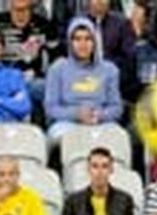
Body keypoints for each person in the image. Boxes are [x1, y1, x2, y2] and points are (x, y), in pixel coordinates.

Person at [45, 16, 124, 147]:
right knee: (58, 135)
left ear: (95, 42)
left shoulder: (109, 69)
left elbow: (116, 108)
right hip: (67, 123)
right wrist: (77, 114)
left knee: (119, 136)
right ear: (70, 42)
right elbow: (51, 108)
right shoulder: (57, 68)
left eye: (88, 39)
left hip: (101, 121)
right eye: (77, 39)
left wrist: (98, 115)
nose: (83, 44)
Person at [0, 0, 58, 119]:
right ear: (10, 7)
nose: (21, 15)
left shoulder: (45, 26)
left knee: (48, 89)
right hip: (4, 79)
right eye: (17, 10)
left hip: (35, 80)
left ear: (31, 8)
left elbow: (56, 58)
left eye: (25, 10)